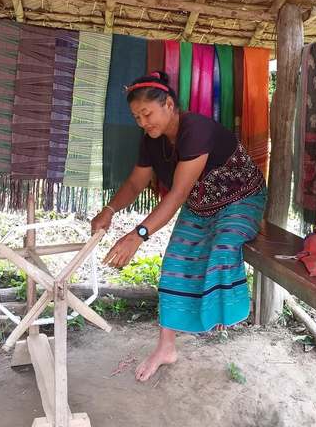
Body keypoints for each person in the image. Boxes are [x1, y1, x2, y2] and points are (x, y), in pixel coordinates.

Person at [91, 70, 267, 382]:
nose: (144, 123)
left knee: (224, 246)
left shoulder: (195, 127)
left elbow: (178, 193)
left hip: (241, 198)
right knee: (174, 260)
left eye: (147, 113)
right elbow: (135, 182)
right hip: (201, 205)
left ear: (169, 105)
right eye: (137, 117)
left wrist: (139, 234)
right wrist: (110, 210)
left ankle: (219, 316)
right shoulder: (151, 140)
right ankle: (166, 347)